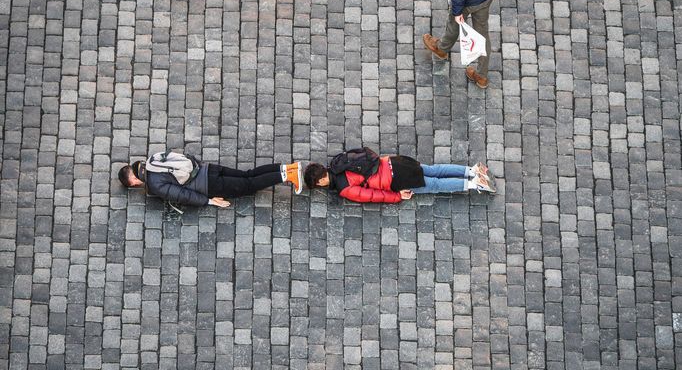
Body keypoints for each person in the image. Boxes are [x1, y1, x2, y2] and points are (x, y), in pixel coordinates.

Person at [118, 151, 303, 208]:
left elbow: (181, 194)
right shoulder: (152, 159)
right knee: (248, 174)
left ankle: (287, 176)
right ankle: (288, 167)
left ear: (133, 182)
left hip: (209, 185)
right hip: (208, 168)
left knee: (249, 186)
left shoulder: (154, 184)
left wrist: (209, 201)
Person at [303, 151, 495, 203]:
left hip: (396, 181)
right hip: (393, 162)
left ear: (320, 181)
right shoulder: (338, 162)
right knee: (434, 170)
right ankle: (472, 170)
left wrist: (396, 196)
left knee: (434, 185)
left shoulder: (344, 188)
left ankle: (474, 184)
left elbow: (371, 196)